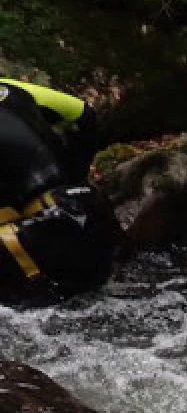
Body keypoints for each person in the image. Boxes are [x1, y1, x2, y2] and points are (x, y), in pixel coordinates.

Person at [0, 78, 117, 300]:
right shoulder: (13, 87)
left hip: (45, 239)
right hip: (92, 210)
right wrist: (74, 177)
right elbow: (85, 115)